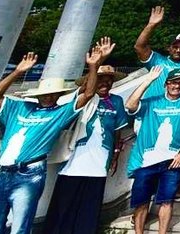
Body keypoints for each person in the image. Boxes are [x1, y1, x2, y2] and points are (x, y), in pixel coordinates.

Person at [0, 49, 99, 234]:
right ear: (38, 94)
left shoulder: (60, 113)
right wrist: (18, 71)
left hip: (29, 174)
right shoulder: (19, 107)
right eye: (45, 93)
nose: (48, 97)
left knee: (20, 228)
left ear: (59, 95)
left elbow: (89, 94)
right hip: (1, 172)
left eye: (53, 94)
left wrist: (93, 66)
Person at [44, 38, 127, 234]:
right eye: (101, 79)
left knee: (88, 214)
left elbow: (117, 130)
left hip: (98, 166)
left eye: (109, 80)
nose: (105, 83)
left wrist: (115, 154)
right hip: (73, 164)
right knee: (63, 212)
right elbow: (87, 92)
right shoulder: (83, 98)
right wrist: (96, 64)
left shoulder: (116, 102)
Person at [126, 67, 180, 234]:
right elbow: (130, 105)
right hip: (145, 161)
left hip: (172, 161)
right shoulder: (153, 101)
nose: (177, 85)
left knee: (167, 201)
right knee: (142, 202)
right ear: (166, 84)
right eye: (173, 82)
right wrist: (148, 80)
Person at [134, 6, 180, 100]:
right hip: (151, 105)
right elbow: (139, 47)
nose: (178, 50)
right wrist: (151, 25)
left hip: (176, 107)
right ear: (167, 48)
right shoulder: (157, 60)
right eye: (175, 47)